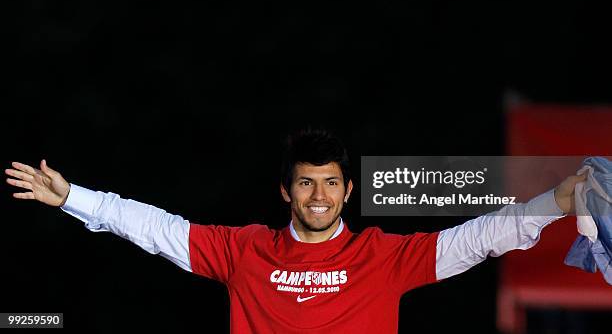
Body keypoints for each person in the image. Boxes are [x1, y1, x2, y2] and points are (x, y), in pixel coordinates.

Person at [4, 129, 586, 334]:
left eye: (331, 184)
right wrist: (73, 198)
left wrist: (555, 201)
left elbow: (478, 237)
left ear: (348, 191)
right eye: (306, 184)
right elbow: (156, 229)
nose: (319, 196)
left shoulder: (382, 257)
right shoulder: (243, 250)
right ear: (287, 191)